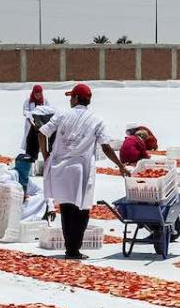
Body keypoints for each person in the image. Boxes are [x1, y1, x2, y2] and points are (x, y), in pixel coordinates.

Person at [39, 83, 126, 259]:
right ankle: (73, 250)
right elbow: (106, 147)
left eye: (72, 97)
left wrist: (46, 154)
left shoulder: (62, 115)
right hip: (81, 171)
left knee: (66, 208)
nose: (70, 100)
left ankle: (70, 249)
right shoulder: (96, 120)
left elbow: (42, 132)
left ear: (77, 98)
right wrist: (120, 165)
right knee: (82, 210)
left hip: (61, 169)